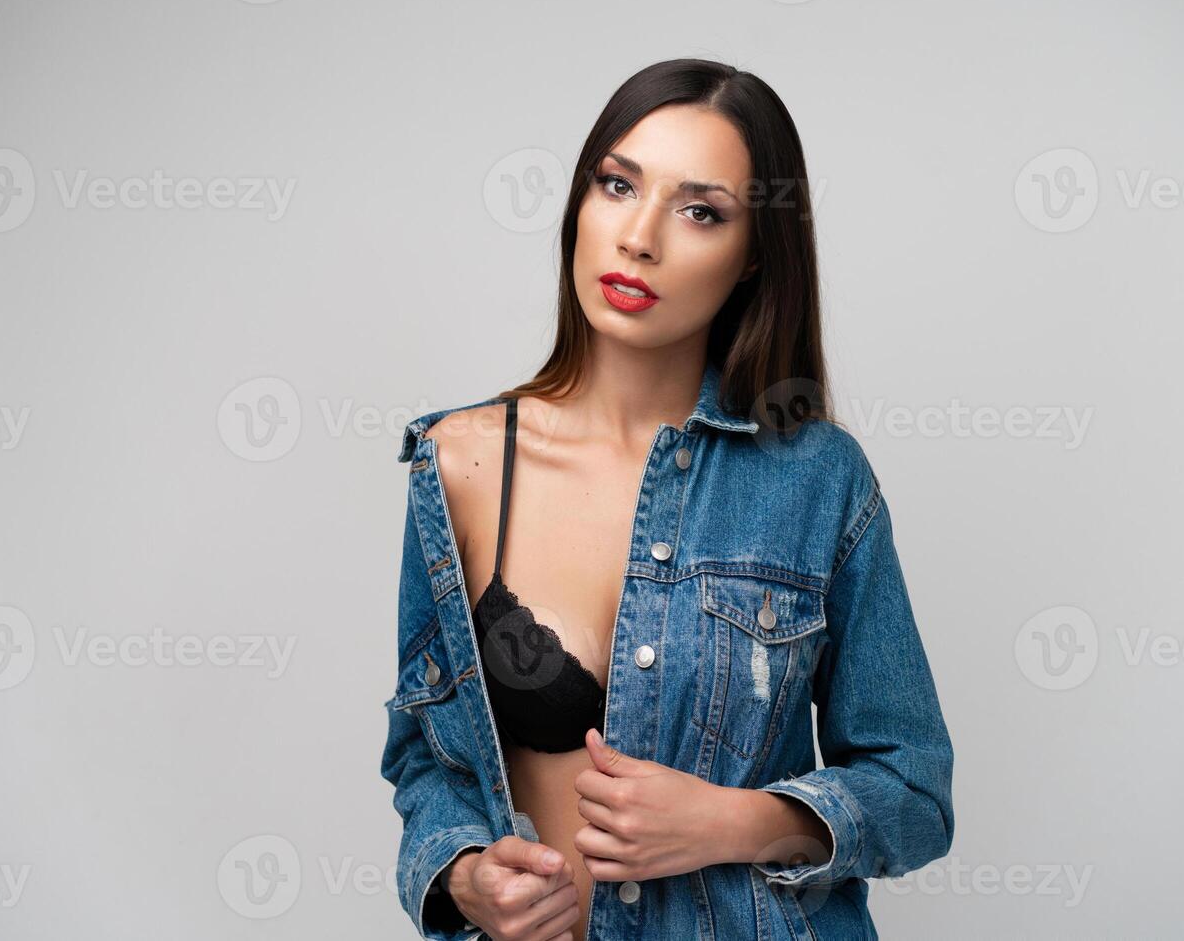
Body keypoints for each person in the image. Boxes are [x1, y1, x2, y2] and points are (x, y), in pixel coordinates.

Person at [381, 57, 954, 941]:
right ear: (579, 201)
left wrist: (733, 822)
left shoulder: (817, 478)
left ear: (753, 255)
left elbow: (914, 790)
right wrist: (462, 877)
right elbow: (426, 761)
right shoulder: (457, 463)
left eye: (699, 211)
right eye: (617, 185)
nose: (639, 237)